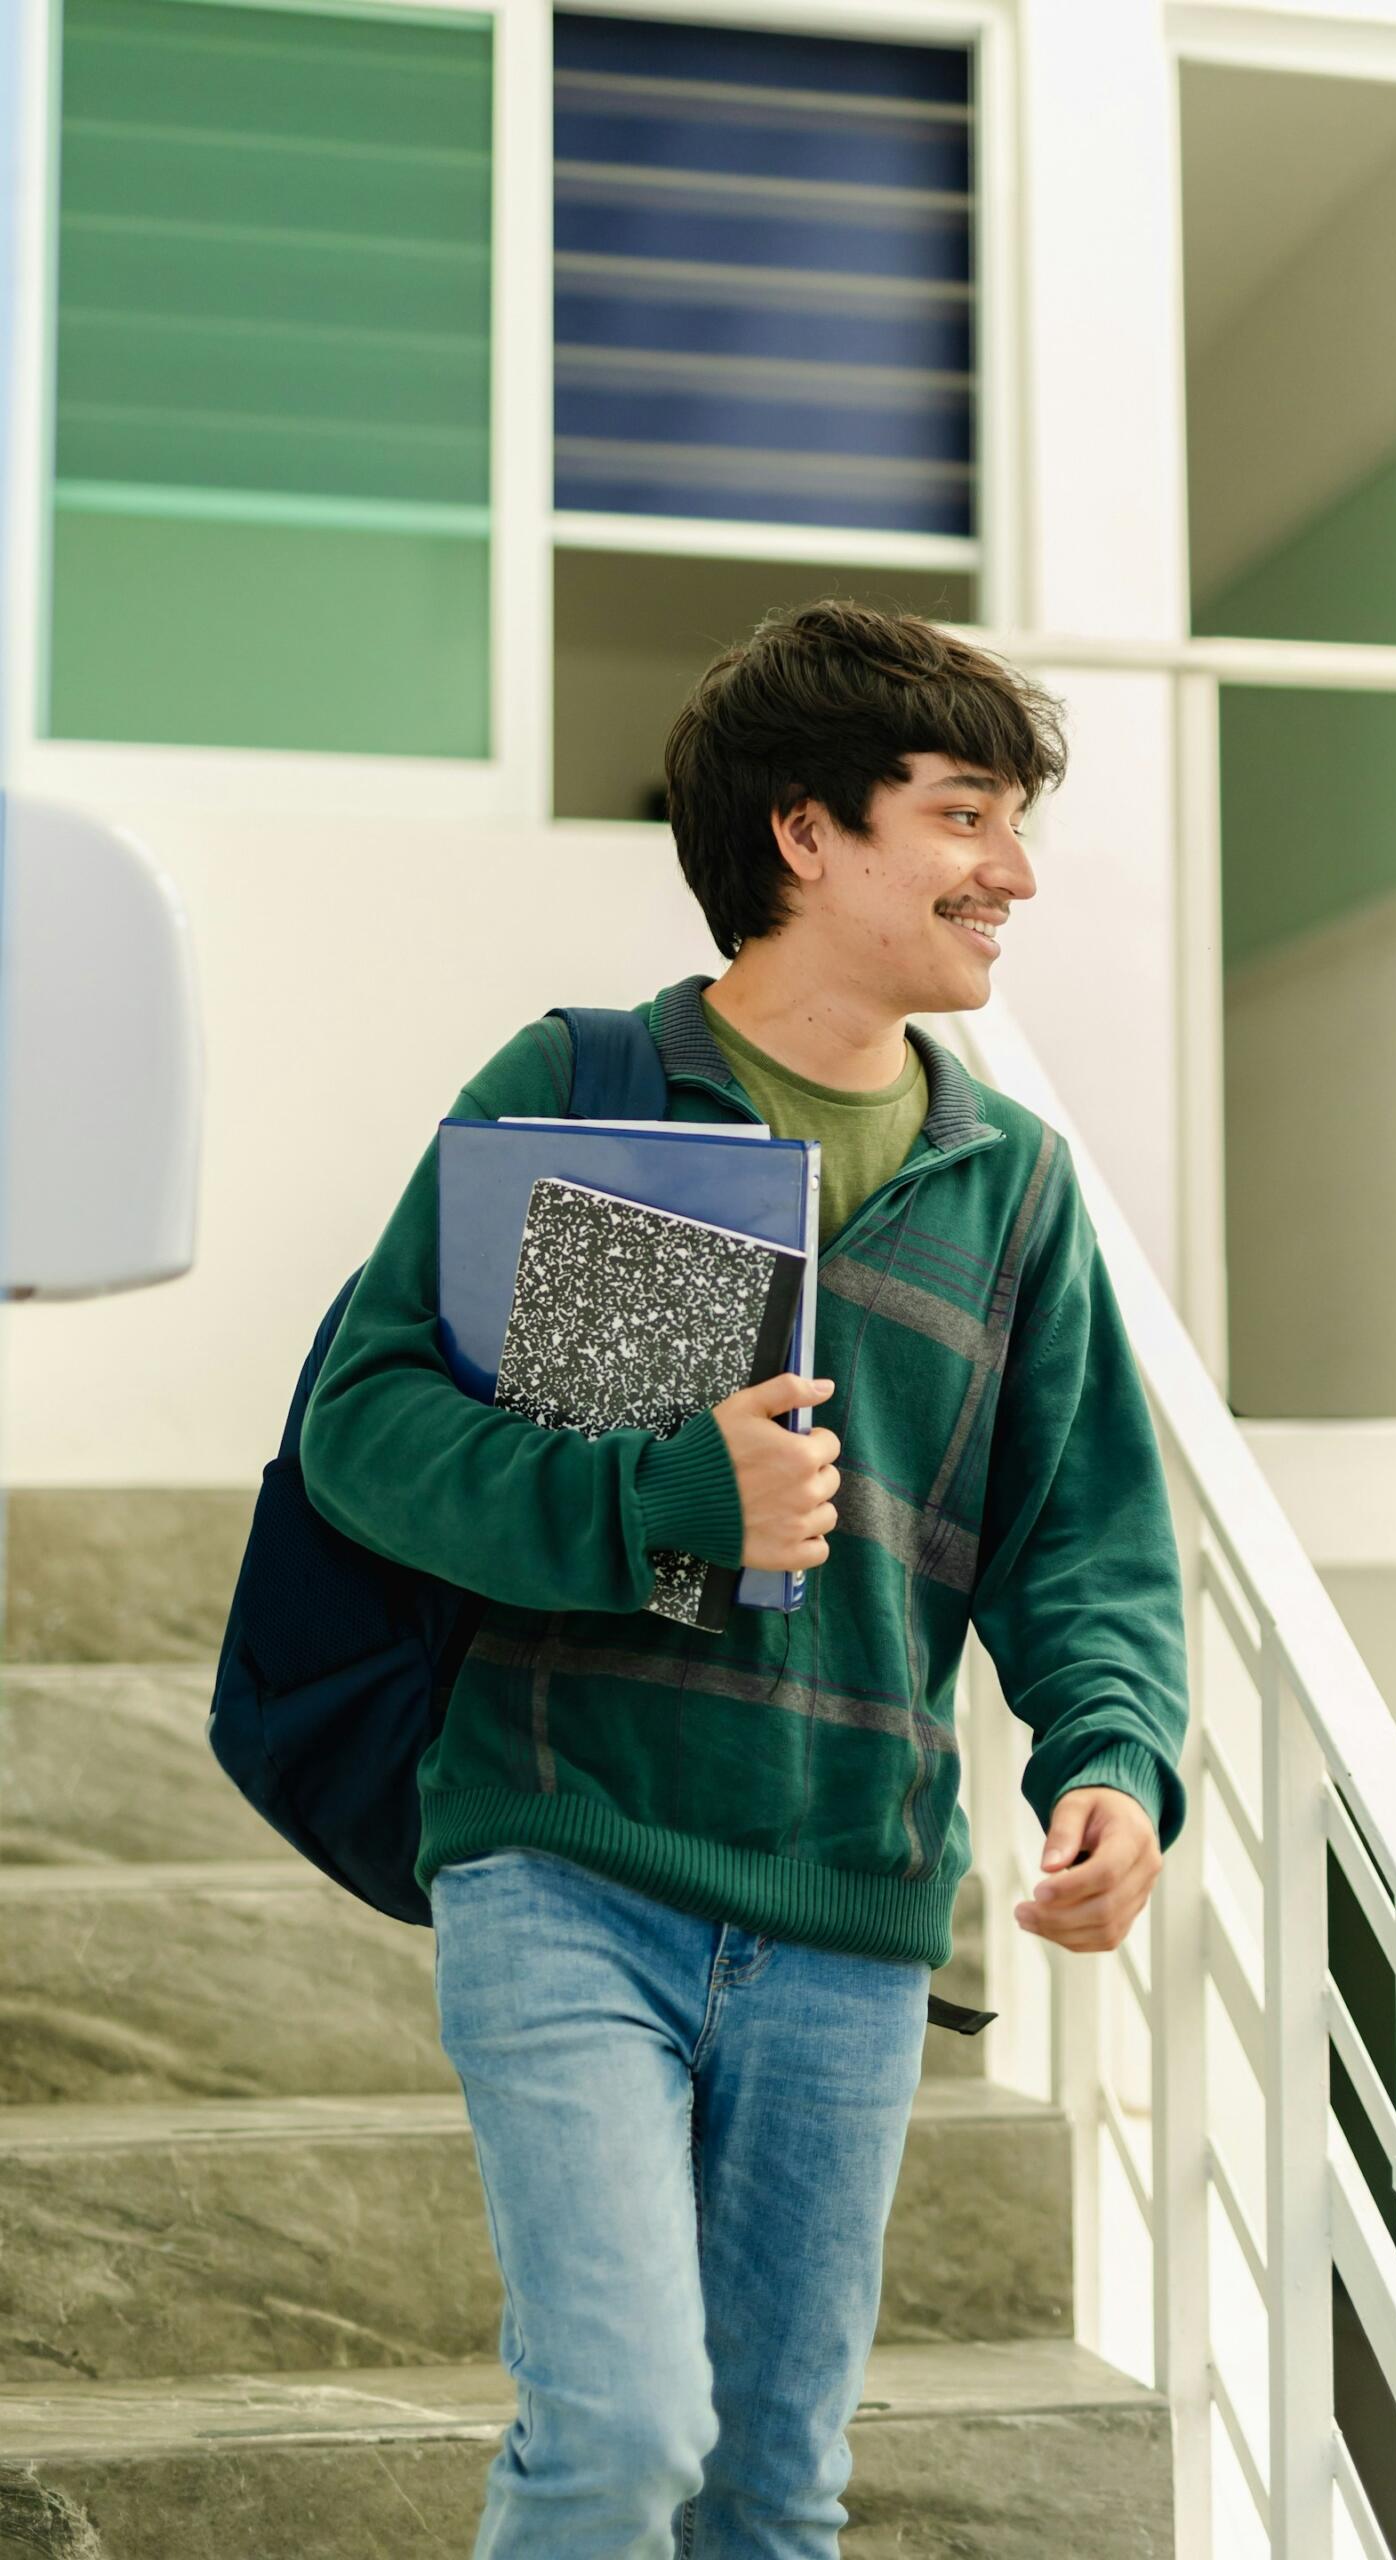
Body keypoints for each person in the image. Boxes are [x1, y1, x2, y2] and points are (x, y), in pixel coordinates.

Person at [298, 598, 1190, 2558]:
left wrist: (1107, 1757)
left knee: (769, 2492)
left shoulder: (1012, 1183)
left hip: (851, 1917)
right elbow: (365, 1429)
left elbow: (1088, 1540)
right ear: (805, 831)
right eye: (963, 814)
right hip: (566, 1851)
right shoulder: (588, 1079)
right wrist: (656, 1501)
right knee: (617, 2431)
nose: (1012, 870)